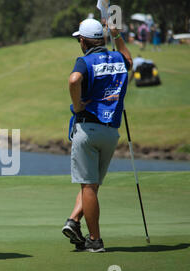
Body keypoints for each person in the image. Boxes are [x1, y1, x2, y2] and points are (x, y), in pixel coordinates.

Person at [62, 19, 132, 252]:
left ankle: (95, 239)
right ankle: (74, 221)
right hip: (111, 131)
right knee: (93, 185)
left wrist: (77, 105)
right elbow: (130, 61)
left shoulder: (85, 61)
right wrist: (117, 35)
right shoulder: (118, 58)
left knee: (88, 187)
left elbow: (74, 80)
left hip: (88, 128)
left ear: (83, 41)